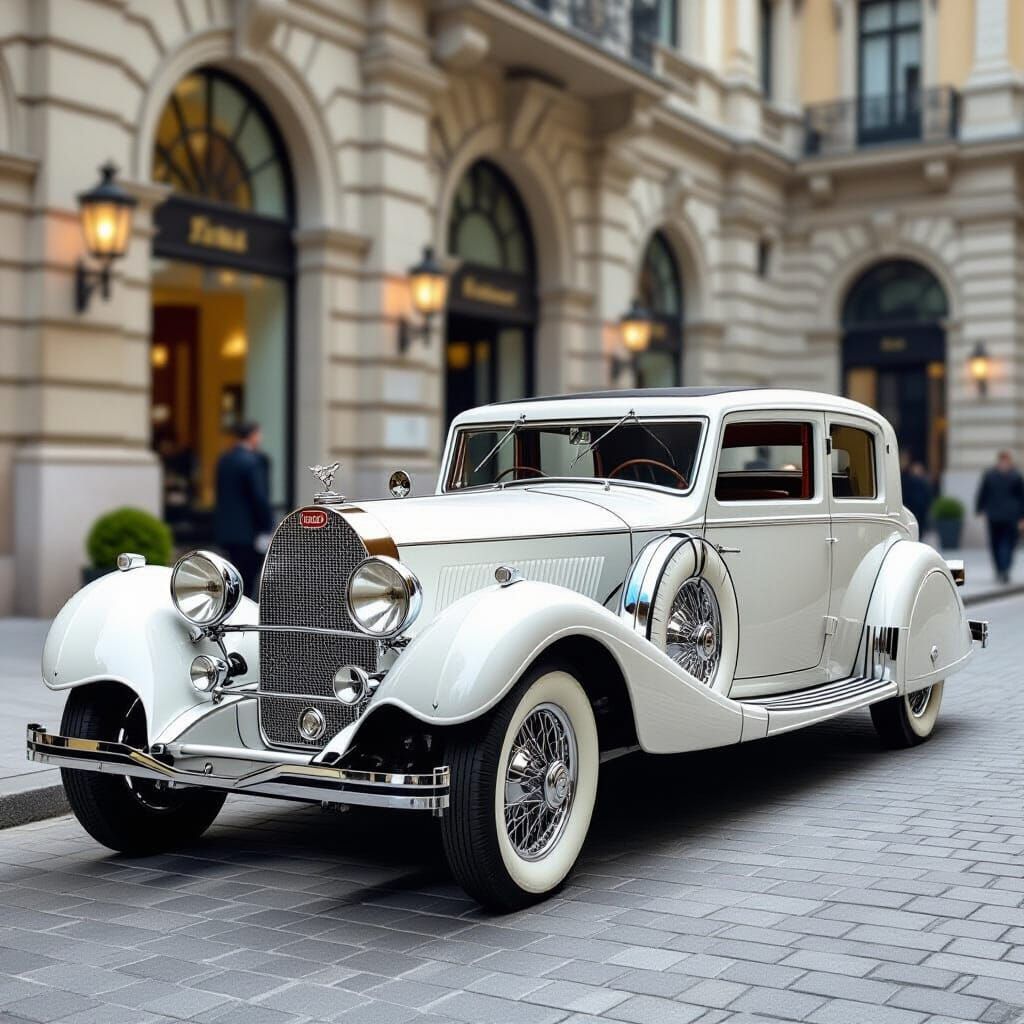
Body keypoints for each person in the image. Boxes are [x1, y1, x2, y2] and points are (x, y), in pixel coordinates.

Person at [214, 422, 274, 597]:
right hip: (249, 533)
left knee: (233, 578)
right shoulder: (253, 461)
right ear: (253, 435)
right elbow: (259, 497)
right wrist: (268, 526)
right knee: (247, 583)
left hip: (227, 532)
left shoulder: (224, 459)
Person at [975, 450, 1024, 584]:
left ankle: (1004, 568)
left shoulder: (1016, 476)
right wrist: (979, 509)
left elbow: (1021, 497)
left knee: (1009, 544)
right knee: (995, 543)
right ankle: (1000, 569)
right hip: (994, 516)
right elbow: (983, 492)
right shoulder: (990, 475)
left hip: (1010, 516)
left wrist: (1021, 517)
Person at [902, 461, 933, 539]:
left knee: (921, 525)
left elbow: (928, 494)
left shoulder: (923, 481)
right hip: (913, 507)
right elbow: (907, 494)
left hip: (921, 508)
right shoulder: (909, 481)